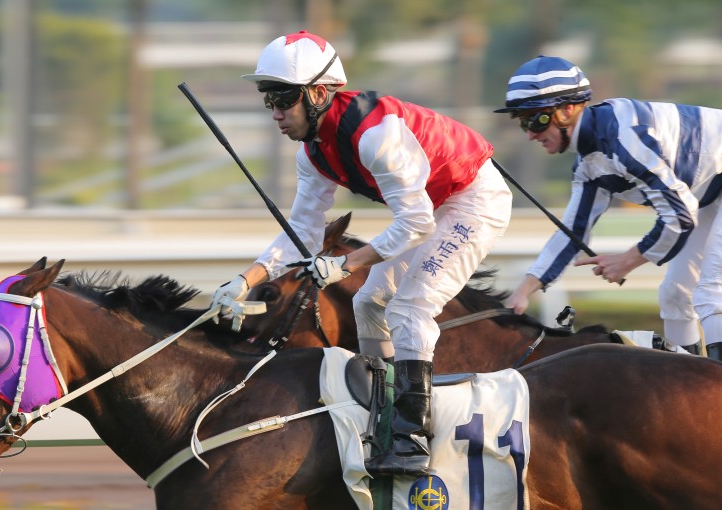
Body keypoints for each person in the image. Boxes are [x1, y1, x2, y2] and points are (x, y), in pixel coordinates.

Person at [210, 30, 512, 476]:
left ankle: (411, 438)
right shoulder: (312, 153)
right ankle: (384, 413)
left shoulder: (375, 138)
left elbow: (417, 224)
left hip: (472, 199)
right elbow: (304, 230)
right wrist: (246, 280)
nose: (274, 112)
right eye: (266, 98)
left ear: (317, 93)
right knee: (367, 301)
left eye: (282, 98)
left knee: (410, 307)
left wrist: (345, 263)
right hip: (431, 207)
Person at [496, 55, 722, 358]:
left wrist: (629, 258)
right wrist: (522, 292)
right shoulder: (589, 164)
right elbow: (572, 234)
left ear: (567, 110)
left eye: (537, 119)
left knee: (711, 293)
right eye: (523, 121)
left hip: (705, 193)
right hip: (709, 192)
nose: (530, 133)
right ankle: (693, 390)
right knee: (675, 296)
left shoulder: (623, 138)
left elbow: (679, 213)